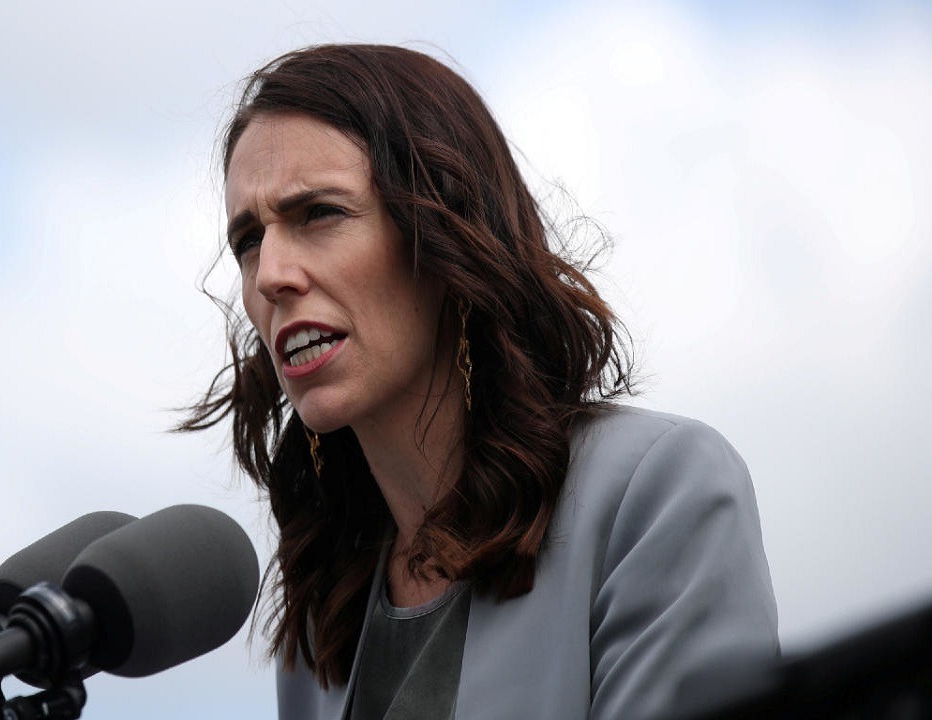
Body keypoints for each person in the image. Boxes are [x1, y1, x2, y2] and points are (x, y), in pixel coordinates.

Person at [182, 44, 778, 720]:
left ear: (446, 230)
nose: (270, 275)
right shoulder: (324, 612)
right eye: (248, 241)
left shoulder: (656, 491)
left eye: (319, 213)